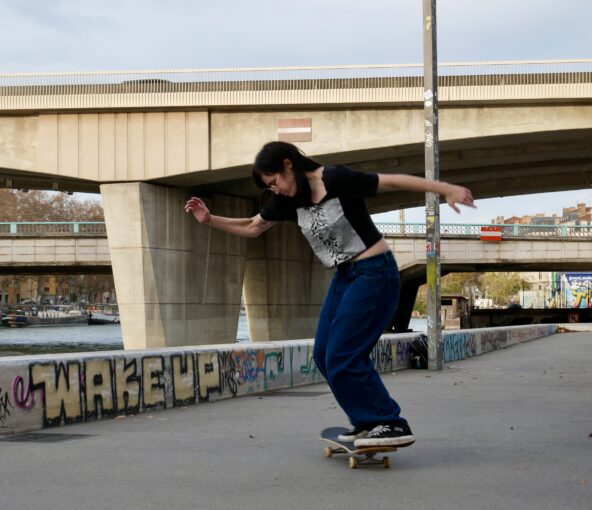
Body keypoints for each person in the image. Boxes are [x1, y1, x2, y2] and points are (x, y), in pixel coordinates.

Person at [185, 141, 475, 448]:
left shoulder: (336, 179)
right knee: (324, 355)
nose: (275, 190)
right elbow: (253, 226)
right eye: (269, 187)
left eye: (275, 181)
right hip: (345, 276)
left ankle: (390, 422)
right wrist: (210, 219)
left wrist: (446, 189)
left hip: (374, 272)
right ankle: (367, 422)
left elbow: (392, 181)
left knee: (343, 355)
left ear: (288, 165)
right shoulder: (289, 199)